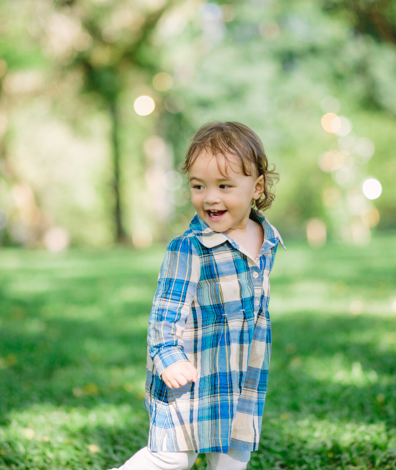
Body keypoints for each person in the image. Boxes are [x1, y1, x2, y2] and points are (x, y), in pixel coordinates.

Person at [110, 121, 284, 470]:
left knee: (234, 456)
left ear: (256, 187)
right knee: (172, 458)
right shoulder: (189, 249)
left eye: (224, 185)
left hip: (240, 375)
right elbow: (163, 315)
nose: (210, 197)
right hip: (190, 377)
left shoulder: (267, 239)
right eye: (198, 186)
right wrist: (168, 357)